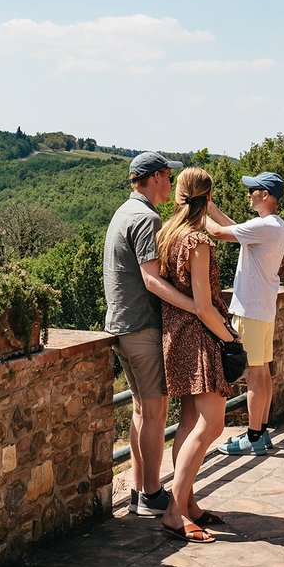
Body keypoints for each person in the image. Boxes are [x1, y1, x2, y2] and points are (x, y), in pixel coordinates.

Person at [103, 152, 195, 518]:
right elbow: (151, 279)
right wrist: (193, 305)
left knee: (142, 411)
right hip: (142, 325)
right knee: (156, 412)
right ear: (155, 177)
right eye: (167, 175)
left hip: (121, 325)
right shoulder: (147, 218)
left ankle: (141, 490)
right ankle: (153, 493)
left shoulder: (123, 212)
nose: (171, 182)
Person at [157, 167, 239, 542]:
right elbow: (205, 306)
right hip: (199, 337)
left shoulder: (166, 235)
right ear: (208, 199)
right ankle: (175, 512)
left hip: (174, 335)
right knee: (213, 424)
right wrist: (230, 340)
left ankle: (188, 504)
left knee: (189, 422)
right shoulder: (197, 242)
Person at [207, 172, 284, 454]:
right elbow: (235, 228)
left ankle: (253, 437)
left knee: (254, 376)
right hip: (263, 308)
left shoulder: (263, 226)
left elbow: (218, 233)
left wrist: (195, 208)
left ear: (265, 195)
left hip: (250, 309)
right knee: (262, 372)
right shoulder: (274, 226)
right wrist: (209, 206)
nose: (248, 194)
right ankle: (262, 432)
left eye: (253, 190)